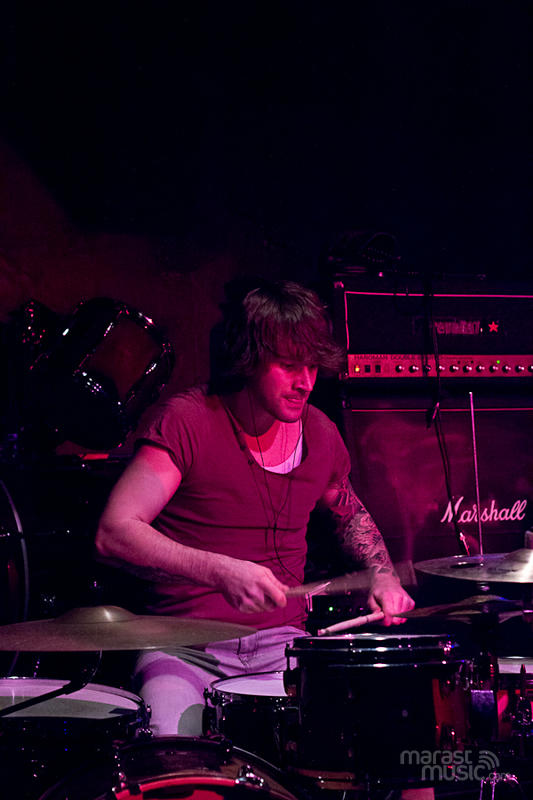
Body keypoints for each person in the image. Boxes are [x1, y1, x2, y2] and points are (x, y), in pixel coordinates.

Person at [95, 279, 414, 736]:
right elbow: (115, 531)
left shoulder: (320, 433)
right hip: (184, 647)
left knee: (364, 737)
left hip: (284, 646)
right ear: (249, 358)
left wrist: (381, 573)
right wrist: (221, 571)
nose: (306, 383)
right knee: (171, 744)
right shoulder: (188, 420)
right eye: (289, 366)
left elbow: (351, 515)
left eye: (312, 367)